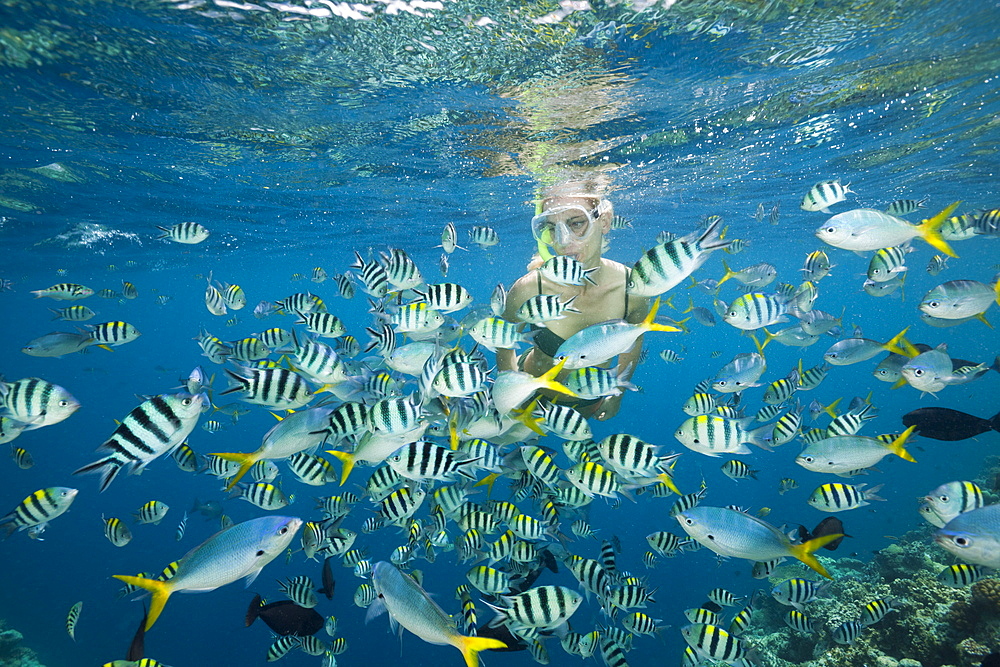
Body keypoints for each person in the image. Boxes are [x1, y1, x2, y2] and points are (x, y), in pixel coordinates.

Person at [497, 184, 648, 421]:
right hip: (533, 402)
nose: (563, 241)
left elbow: (634, 338)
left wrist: (617, 393)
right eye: (550, 227)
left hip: (591, 402)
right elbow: (503, 340)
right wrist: (511, 396)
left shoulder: (632, 288)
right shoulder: (529, 289)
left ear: (605, 221)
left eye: (576, 223)